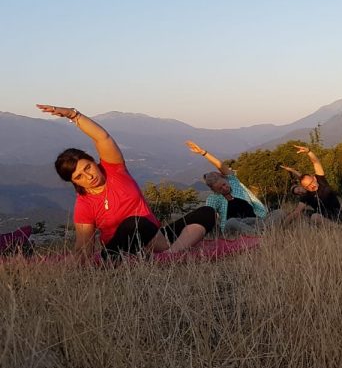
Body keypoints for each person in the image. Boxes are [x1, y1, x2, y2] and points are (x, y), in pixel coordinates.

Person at [38, 105, 215, 261]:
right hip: (120, 250)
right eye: (79, 177)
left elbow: (103, 138)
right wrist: (72, 263)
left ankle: (169, 256)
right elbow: (85, 247)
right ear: (74, 182)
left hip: (154, 235)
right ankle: (168, 253)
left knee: (207, 212)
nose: (88, 176)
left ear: (93, 161)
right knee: (135, 223)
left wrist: (73, 115)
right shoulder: (84, 204)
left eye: (88, 168)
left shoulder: (115, 170)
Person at [186, 140, 282, 237]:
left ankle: (260, 232)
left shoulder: (234, 183)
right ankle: (259, 236)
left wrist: (203, 153)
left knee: (279, 213)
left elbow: (221, 166)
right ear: (214, 190)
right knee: (231, 222)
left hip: (255, 221)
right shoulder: (213, 199)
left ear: (226, 179)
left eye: (224, 184)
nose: (224, 188)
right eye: (220, 188)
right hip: (235, 227)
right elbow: (209, 217)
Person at [283, 146, 342, 226]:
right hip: (326, 220)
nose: (311, 186)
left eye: (312, 182)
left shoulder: (321, 181)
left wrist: (309, 152)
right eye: (308, 186)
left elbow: (316, 163)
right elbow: (296, 212)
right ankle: (340, 229)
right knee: (314, 217)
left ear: (315, 178)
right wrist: (282, 226)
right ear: (305, 188)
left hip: (340, 214)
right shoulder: (306, 196)